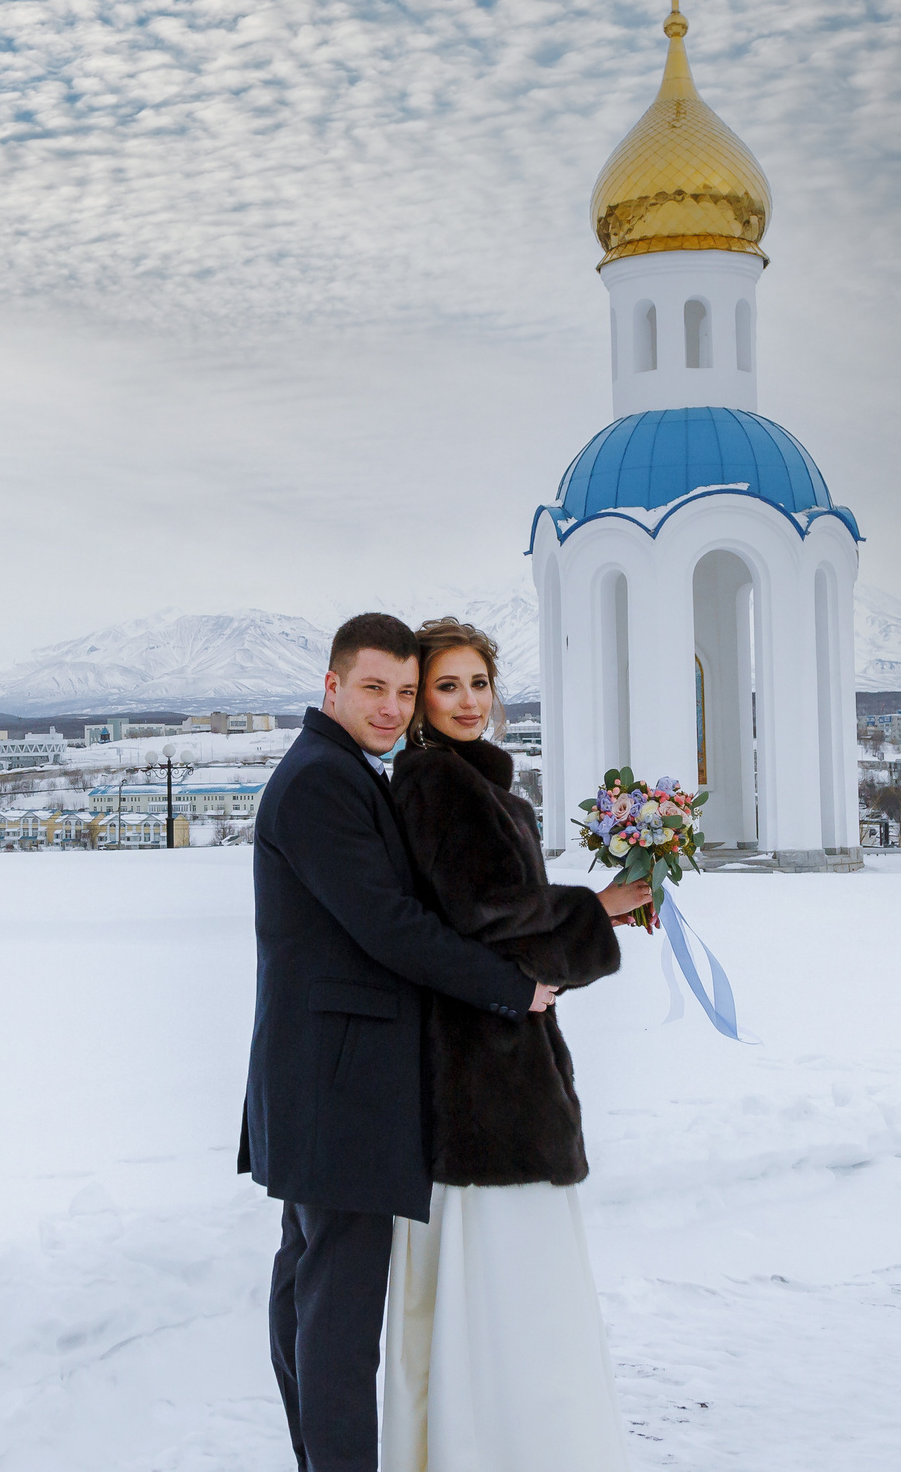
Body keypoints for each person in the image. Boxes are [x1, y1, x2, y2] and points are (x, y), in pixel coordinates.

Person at [239, 612, 558, 1472]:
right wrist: (509, 985)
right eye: (374, 687)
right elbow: (388, 924)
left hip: (321, 1076)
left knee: (308, 1285)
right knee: (337, 1315)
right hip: (337, 1083)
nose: (392, 707)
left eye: (404, 692)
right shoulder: (321, 782)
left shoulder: (341, 769)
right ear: (332, 684)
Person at [379, 615, 652, 1472]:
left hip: (498, 1065)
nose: (468, 700)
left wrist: (582, 923)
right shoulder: (436, 779)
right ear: (420, 701)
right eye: (447, 685)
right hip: (482, 1079)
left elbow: (503, 920)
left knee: (511, 1293)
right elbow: (488, 913)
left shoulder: (479, 782)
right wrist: (595, 908)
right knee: (507, 1292)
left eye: (479, 683)